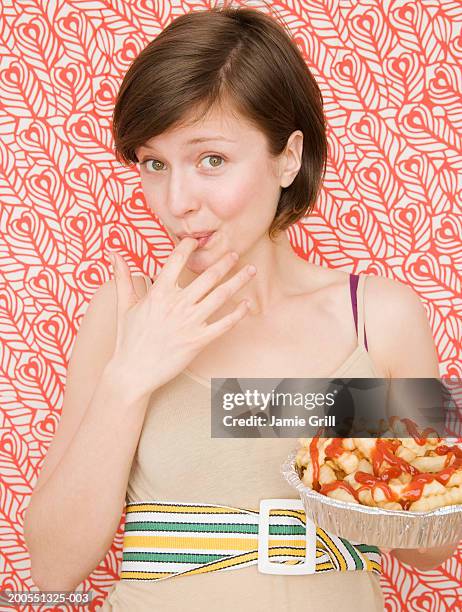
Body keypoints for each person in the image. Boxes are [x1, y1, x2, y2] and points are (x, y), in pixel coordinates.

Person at [23, 6, 458, 611]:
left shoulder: (380, 316)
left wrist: (347, 439)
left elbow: (431, 549)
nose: (177, 201)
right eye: (155, 164)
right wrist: (130, 377)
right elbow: (51, 568)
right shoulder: (125, 312)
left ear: (287, 157)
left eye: (211, 160)